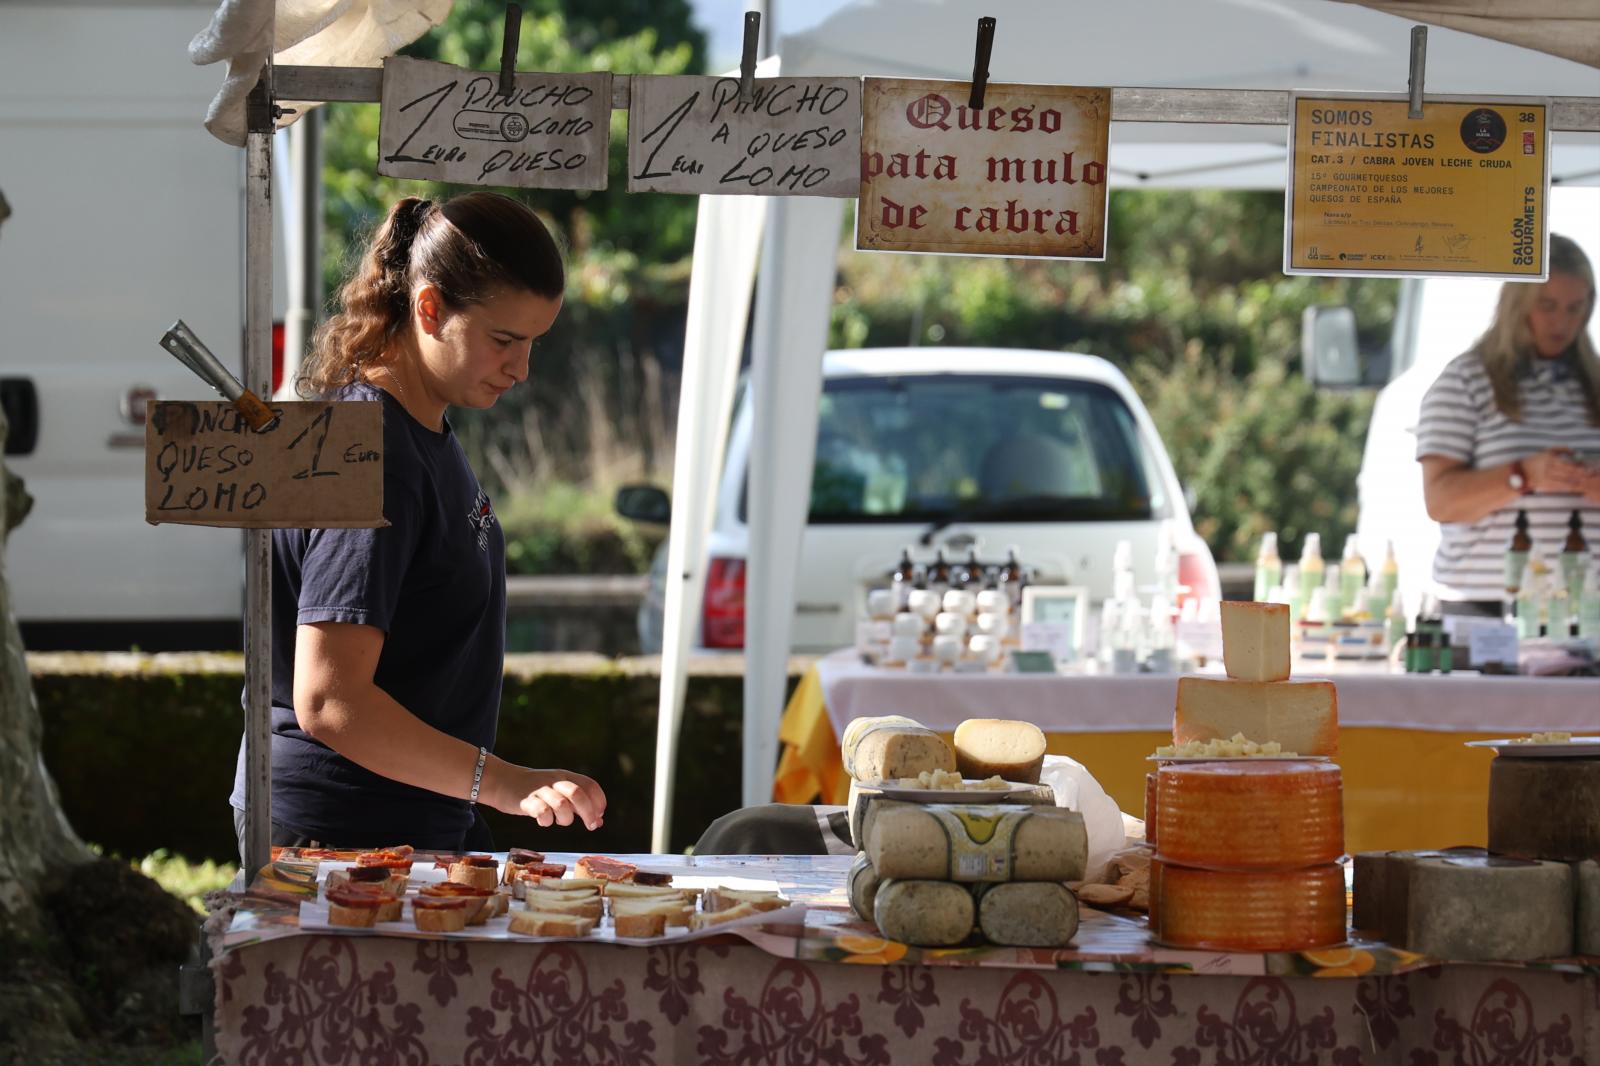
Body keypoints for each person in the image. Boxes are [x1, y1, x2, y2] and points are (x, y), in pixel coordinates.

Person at [230, 192, 606, 858]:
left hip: (404, 817)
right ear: (429, 308)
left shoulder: (416, 427)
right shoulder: (375, 451)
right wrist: (505, 784)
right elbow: (329, 701)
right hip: (345, 835)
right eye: (504, 341)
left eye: (533, 344)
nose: (521, 369)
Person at [1416, 233, 1600, 613]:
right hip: (1484, 608)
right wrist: (1523, 474)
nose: (1561, 322)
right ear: (1516, 305)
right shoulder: (1466, 380)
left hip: (1586, 611)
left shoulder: (1595, 385)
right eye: (1547, 305)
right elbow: (1441, 501)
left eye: (1575, 308)